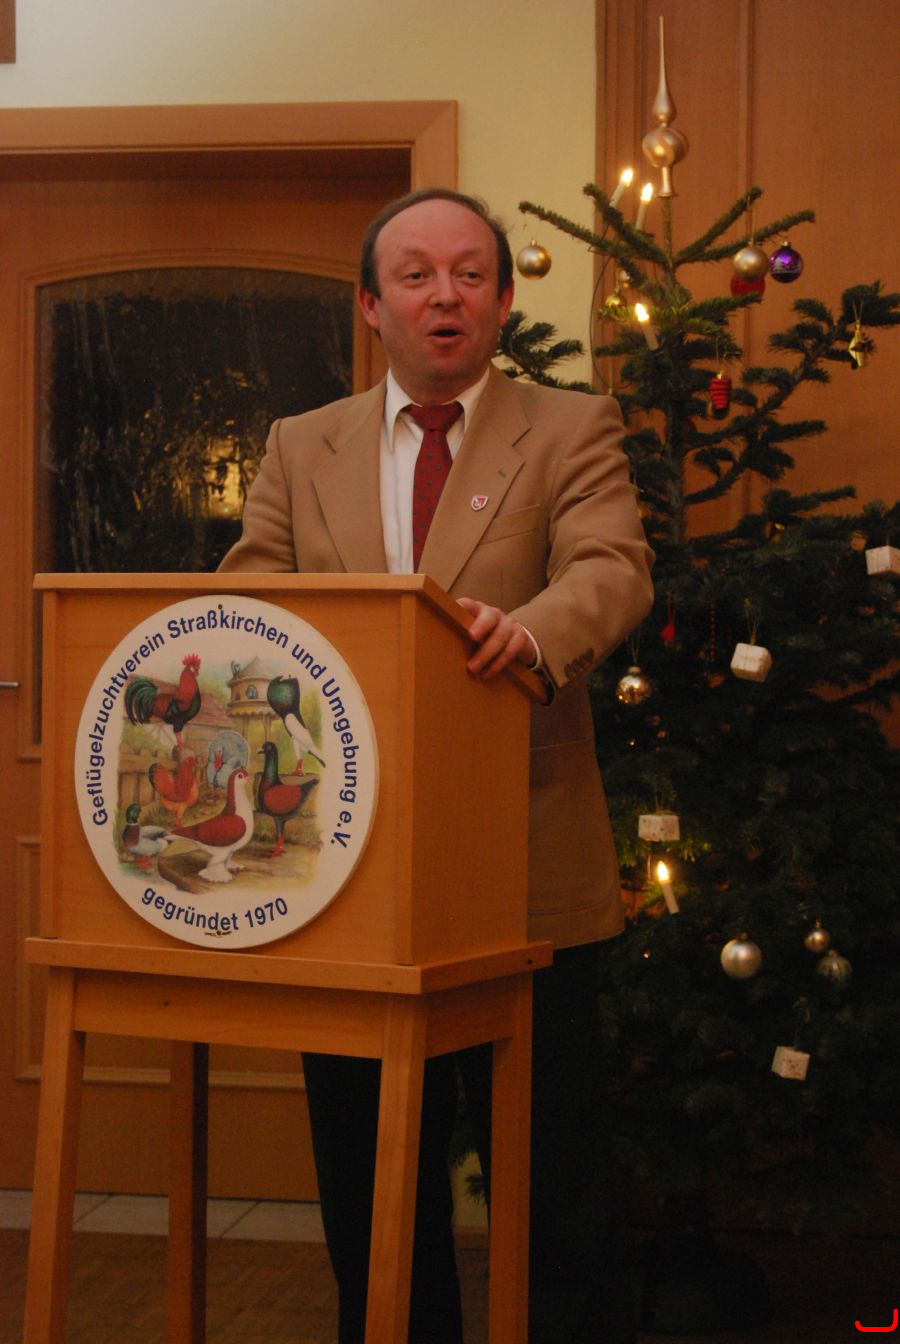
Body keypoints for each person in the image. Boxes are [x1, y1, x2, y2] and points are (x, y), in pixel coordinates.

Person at [219, 187, 654, 1343]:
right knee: (371, 1177)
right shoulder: (301, 443)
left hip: (524, 854)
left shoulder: (571, 427)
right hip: (343, 871)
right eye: (414, 275)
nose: (443, 295)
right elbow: (251, 590)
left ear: (503, 300)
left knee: (553, 1176)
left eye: (469, 273)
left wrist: (535, 634)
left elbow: (611, 567)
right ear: (373, 306)